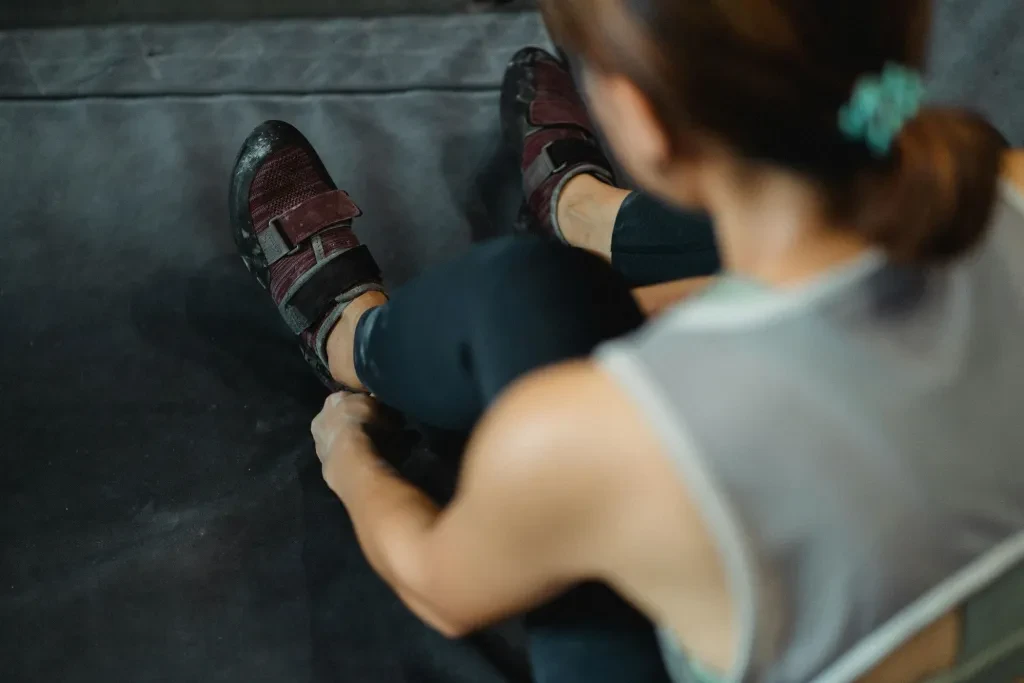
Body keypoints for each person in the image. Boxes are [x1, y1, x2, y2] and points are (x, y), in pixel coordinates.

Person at [227, 1, 1024, 681]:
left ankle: (352, 347)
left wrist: (347, 456)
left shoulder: (607, 442)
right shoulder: (1007, 186)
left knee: (520, 295)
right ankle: (589, 217)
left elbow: (439, 580)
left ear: (642, 118)